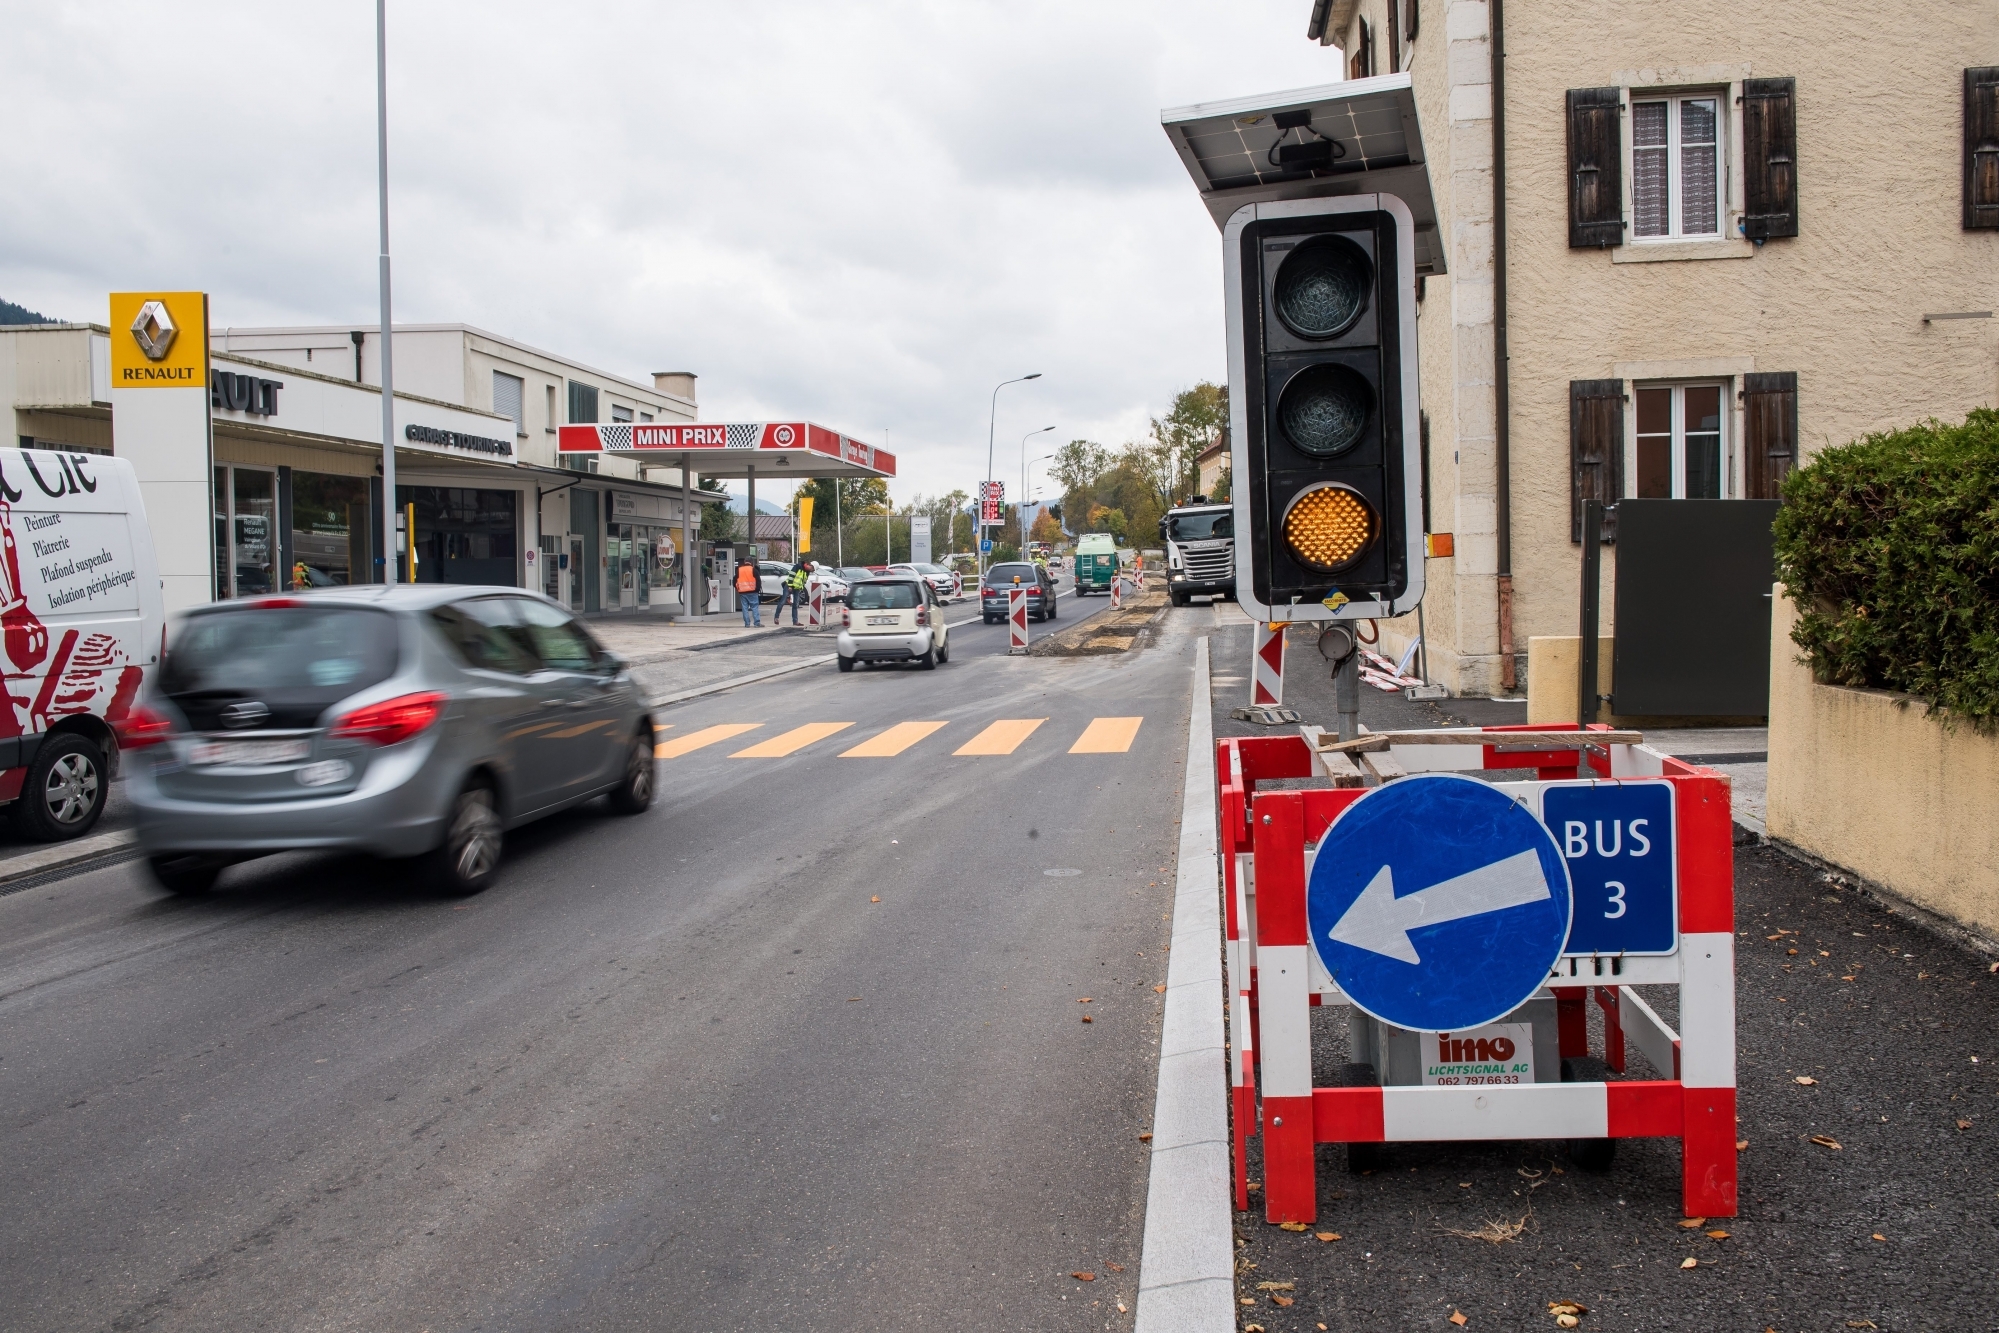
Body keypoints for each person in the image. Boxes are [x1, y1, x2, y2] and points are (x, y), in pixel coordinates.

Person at [775, 560, 809, 625]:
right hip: (789, 586)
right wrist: (790, 586)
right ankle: (776, 617)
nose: (811, 570)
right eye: (812, 568)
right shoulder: (798, 567)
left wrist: (801, 588)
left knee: (795, 604)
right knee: (782, 602)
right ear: (808, 565)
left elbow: (804, 581)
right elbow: (791, 575)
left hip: (797, 588)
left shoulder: (807, 572)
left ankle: (795, 621)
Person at [735, 559, 762, 627]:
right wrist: (757, 590)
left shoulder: (739, 570)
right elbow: (758, 581)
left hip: (742, 592)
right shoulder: (754, 570)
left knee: (744, 608)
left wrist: (738, 588)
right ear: (751, 562)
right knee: (754, 607)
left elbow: (734, 580)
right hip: (753, 592)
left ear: (745, 562)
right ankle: (756, 623)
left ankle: (747, 624)